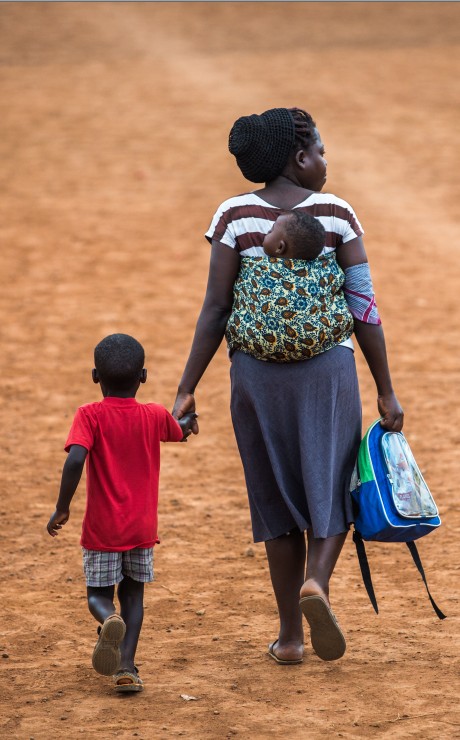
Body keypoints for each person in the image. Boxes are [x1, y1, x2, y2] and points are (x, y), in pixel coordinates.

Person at [172, 107, 403, 665]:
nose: (325, 161)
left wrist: (186, 388)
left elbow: (216, 308)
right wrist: (386, 389)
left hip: (256, 376)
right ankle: (317, 583)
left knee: (275, 501)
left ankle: (291, 639)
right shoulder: (337, 213)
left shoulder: (233, 215)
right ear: (300, 158)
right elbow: (363, 307)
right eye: (320, 151)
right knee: (334, 487)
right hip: (328, 372)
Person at [47, 333, 195, 691]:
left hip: (102, 530)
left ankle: (107, 618)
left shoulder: (90, 415)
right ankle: (126, 667)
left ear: (95, 377)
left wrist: (62, 508)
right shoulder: (154, 415)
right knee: (134, 596)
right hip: (141, 528)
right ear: (142, 377)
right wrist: (189, 421)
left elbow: (75, 460)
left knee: (99, 594)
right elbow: (180, 430)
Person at [225, 209, 354, 362]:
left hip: (256, 351)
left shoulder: (254, 267)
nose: (267, 231)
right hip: (322, 347)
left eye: (271, 230)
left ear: (280, 247)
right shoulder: (323, 268)